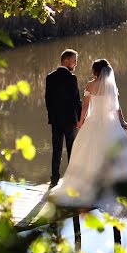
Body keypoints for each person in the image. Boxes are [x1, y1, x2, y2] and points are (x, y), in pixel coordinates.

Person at [48, 59, 127, 211]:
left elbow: (85, 109)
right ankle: (119, 186)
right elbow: (117, 108)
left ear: (95, 71)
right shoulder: (111, 87)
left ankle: (90, 186)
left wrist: (80, 122)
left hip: (93, 123)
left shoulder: (90, 85)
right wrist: (123, 122)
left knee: (87, 152)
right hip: (111, 123)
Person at [45, 49, 82, 187]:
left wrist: (52, 116)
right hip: (70, 120)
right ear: (66, 60)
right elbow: (76, 101)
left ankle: (54, 178)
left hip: (55, 120)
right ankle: (72, 179)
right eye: (74, 60)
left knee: (57, 149)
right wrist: (80, 119)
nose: (76, 64)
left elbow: (47, 100)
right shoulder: (71, 78)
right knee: (72, 149)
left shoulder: (50, 77)